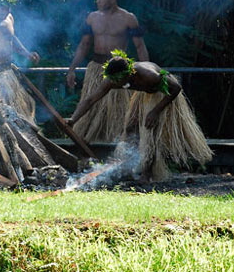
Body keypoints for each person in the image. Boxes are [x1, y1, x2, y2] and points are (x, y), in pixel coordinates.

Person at [66, 50, 212, 182]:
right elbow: (90, 99)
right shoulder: (113, 79)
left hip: (163, 96)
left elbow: (176, 88)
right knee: (130, 129)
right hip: (143, 97)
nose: (115, 84)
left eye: (118, 81)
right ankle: (128, 168)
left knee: (150, 133)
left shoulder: (149, 75)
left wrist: (155, 111)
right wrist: (74, 119)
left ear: (128, 74)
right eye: (113, 80)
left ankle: (147, 175)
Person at [65, 0, 150, 142]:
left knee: (118, 110)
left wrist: (146, 70)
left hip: (119, 71)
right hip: (96, 69)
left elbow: (140, 47)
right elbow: (84, 45)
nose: (98, 1)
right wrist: (71, 70)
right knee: (92, 104)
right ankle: (85, 144)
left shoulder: (128, 18)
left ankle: (118, 142)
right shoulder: (92, 17)